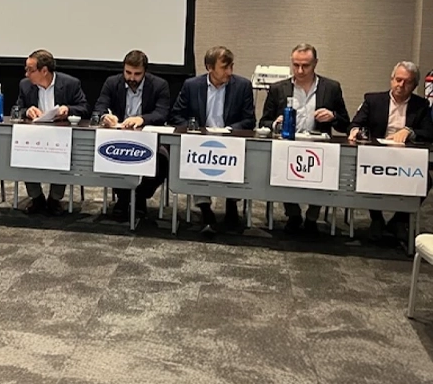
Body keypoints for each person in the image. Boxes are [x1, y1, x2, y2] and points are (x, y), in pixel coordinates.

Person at [260, 43, 350, 235]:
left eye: (305, 66)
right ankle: (293, 214)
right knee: (280, 170)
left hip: (320, 147)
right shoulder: (278, 89)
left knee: (323, 176)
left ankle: (312, 217)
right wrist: (275, 123)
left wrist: (333, 116)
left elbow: (345, 124)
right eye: (296, 65)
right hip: (287, 147)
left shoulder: (331, 88)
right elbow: (263, 122)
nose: (300, 70)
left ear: (315, 63)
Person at [170, 46, 255, 232]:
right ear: (209, 67)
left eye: (231, 66)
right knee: (195, 158)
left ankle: (232, 203)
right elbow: (176, 115)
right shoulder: (192, 86)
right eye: (224, 67)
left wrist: (229, 130)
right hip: (200, 141)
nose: (229, 72)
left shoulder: (243, 86)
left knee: (240, 157)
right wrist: (194, 129)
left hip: (231, 141)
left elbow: (249, 120)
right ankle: (205, 208)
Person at [349, 61, 433, 242]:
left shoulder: (421, 105)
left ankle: (399, 220)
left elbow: (429, 133)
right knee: (365, 173)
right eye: (398, 80)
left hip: (406, 159)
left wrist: (411, 131)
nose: (401, 85)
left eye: (407, 82)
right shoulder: (373, 100)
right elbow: (356, 123)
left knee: (427, 179)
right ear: (391, 79)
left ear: (415, 85)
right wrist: (355, 130)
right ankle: (376, 218)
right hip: (375, 156)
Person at [93, 49, 170, 220]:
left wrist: (141, 119)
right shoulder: (112, 83)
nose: (131, 78)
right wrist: (106, 116)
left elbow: (162, 113)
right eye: (128, 72)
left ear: (145, 72)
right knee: (109, 156)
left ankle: (138, 196)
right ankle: (123, 198)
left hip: (150, 140)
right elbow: (99, 108)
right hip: (118, 138)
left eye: (137, 74)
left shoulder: (159, 85)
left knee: (163, 161)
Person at [16, 49, 88, 215]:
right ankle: (37, 198)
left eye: (30, 70)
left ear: (44, 71)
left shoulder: (70, 84)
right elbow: (16, 109)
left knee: (63, 155)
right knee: (22, 152)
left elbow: (84, 108)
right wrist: (27, 111)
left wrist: (68, 109)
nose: (26, 74)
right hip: (33, 135)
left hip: (60, 136)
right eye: (26, 69)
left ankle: (55, 199)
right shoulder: (25, 85)